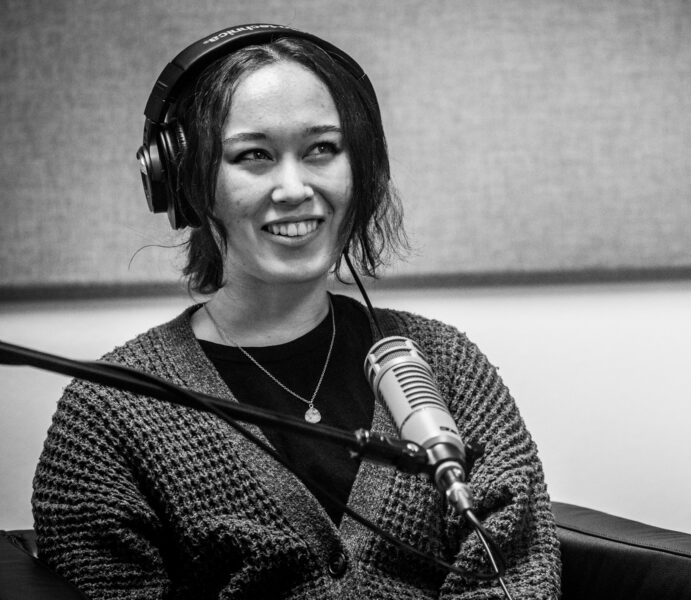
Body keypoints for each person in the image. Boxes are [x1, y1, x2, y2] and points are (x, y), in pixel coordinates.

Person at [31, 24, 560, 600]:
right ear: (184, 182)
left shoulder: (447, 364)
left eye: (321, 150)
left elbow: (519, 573)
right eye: (253, 155)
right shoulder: (110, 414)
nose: (293, 187)